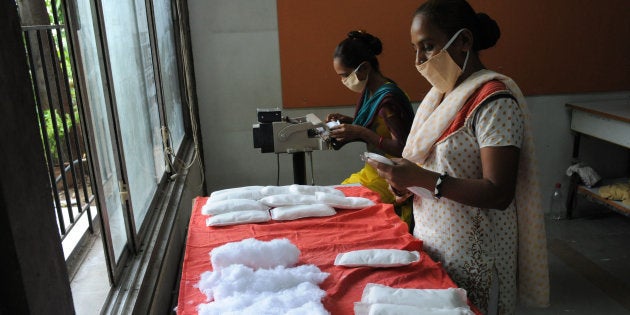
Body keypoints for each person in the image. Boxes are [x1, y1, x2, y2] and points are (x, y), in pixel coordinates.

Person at [366, 1, 549, 314]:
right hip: (436, 243)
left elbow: (499, 191)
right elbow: (431, 166)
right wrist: (405, 182)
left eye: (428, 46)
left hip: (477, 253)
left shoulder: (494, 101)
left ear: (464, 41)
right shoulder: (440, 97)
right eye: (415, 48)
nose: (419, 60)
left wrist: (422, 179)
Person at [327, 30, 415, 228]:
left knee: (343, 211)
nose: (344, 81)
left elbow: (403, 148)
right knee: (334, 196)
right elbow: (377, 126)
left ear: (364, 68)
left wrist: (360, 132)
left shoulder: (388, 101)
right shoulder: (372, 92)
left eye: (345, 76)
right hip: (373, 171)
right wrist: (349, 122)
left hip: (392, 177)